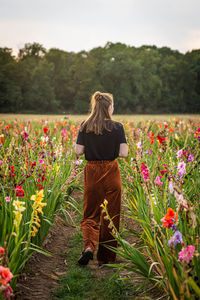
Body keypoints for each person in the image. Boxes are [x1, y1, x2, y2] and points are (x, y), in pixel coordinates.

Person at [75, 91, 128, 266]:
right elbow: (123, 153)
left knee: (90, 213)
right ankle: (106, 258)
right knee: (111, 216)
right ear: (109, 107)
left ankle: (89, 247)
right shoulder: (118, 127)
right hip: (112, 171)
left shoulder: (85, 125)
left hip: (92, 171)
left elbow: (78, 152)